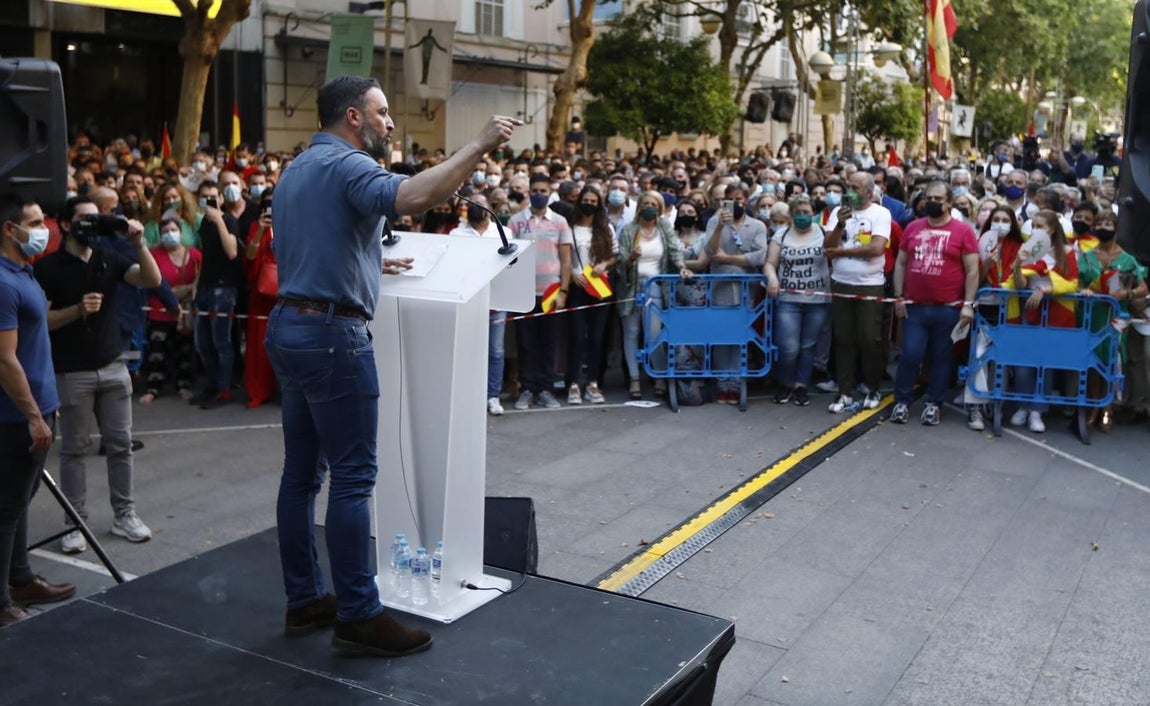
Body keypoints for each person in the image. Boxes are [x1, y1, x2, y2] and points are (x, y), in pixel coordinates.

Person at [268, 75, 517, 657]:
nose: (389, 123)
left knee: (301, 475)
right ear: (353, 117)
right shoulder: (349, 165)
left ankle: (305, 599)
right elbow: (411, 198)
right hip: (333, 335)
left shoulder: (299, 167)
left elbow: (318, 246)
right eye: (382, 113)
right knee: (354, 479)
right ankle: (358, 612)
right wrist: (477, 146)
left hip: (291, 325)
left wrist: (375, 266)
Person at [34, 196, 161, 554]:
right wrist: (76, 310)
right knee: (74, 450)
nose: (94, 225)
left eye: (97, 218)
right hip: (72, 372)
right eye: (85, 219)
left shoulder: (109, 257)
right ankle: (75, 525)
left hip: (113, 366)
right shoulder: (48, 268)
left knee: (121, 446)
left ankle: (125, 515)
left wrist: (138, 242)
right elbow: (42, 322)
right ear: (65, 224)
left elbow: (151, 278)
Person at [0, 193, 73, 629]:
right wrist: (31, 415)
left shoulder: (23, 273)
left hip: (42, 408)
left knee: (20, 502)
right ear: (10, 229)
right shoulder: (4, 283)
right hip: (15, 420)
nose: (43, 229)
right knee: (6, 509)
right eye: (32, 222)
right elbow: (5, 360)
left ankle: (21, 579)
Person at [889, 182, 979, 426]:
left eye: (938, 198)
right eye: (928, 198)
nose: (932, 202)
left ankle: (934, 404)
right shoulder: (913, 228)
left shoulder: (964, 231)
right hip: (915, 307)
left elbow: (972, 270)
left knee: (941, 358)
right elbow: (900, 262)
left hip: (949, 307)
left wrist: (968, 304)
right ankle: (902, 401)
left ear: (949, 202)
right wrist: (899, 296)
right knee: (910, 354)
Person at [823, 172, 890, 413]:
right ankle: (844, 392)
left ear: (870, 192)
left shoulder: (880, 214)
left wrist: (839, 253)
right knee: (843, 339)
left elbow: (875, 248)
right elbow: (827, 247)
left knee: (869, 339)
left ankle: (872, 388)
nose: (850, 190)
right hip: (841, 283)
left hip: (869, 284)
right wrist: (840, 224)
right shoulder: (837, 213)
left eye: (856, 187)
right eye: (848, 186)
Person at [1076, 209, 1146, 432]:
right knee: (1093, 360)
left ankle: (1108, 406)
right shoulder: (1086, 256)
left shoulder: (1128, 258)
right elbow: (1076, 283)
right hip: (1092, 315)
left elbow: (1142, 287)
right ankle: (1093, 406)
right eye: (1100, 223)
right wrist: (1083, 291)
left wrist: (1128, 294)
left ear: (1117, 228)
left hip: (1116, 315)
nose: (1104, 227)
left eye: (1109, 223)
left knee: (1111, 360)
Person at [617, 190, 691, 399]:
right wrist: (631, 257)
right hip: (631, 287)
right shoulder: (628, 230)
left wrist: (681, 266)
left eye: (653, 204)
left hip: (656, 286)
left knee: (655, 333)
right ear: (639, 206)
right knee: (631, 333)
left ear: (659, 208)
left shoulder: (664, 227)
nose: (649, 206)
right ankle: (634, 379)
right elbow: (621, 263)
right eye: (645, 203)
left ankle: (658, 376)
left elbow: (675, 250)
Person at [507, 174, 573, 410]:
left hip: (551, 292)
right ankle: (526, 389)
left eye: (543, 191)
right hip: (524, 293)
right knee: (525, 343)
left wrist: (563, 291)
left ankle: (545, 389)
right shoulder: (515, 222)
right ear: (528, 192)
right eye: (535, 190)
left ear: (549, 193)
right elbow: (509, 259)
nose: (539, 194)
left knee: (548, 342)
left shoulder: (560, 222)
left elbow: (566, 261)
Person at [764, 194, 830, 407]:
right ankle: (785, 383)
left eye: (806, 213)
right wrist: (772, 277)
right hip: (788, 299)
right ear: (791, 215)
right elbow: (769, 263)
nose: (802, 216)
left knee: (808, 346)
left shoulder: (823, 233)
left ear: (814, 214)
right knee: (789, 346)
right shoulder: (781, 236)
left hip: (818, 300)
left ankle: (801, 385)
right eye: (798, 213)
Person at [704, 184, 768, 403]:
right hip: (720, 289)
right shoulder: (714, 222)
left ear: (747, 200)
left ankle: (737, 382)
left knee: (741, 338)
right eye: (730, 199)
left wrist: (729, 259)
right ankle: (723, 384)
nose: (735, 203)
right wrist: (720, 228)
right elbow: (710, 252)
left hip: (746, 291)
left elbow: (759, 257)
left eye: (739, 199)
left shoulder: (757, 226)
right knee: (723, 338)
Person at [447, 194, 509, 415]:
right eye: (470, 203)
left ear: (490, 208)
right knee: (466, 350)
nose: (475, 206)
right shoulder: (457, 233)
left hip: (496, 301)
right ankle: (467, 395)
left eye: (480, 203)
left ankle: (492, 395)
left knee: (496, 351)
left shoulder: (504, 232)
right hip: (468, 300)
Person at [191, 180, 243, 409]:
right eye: (205, 197)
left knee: (221, 342)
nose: (209, 201)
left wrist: (219, 219)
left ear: (221, 199)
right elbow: (206, 254)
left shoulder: (229, 220)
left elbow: (232, 252)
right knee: (203, 343)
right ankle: (212, 385)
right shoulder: (203, 222)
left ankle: (224, 389)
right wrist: (196, 282)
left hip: (224, 290)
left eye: (213, 197)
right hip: (204, 286)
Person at [140, 213, 201, 404]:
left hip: (184, 312)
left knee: (184, 350)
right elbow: (149, 281)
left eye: (173, 230)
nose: (170, 234)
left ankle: (183, 385)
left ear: (181, 233)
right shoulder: (153, 255)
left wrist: (188, 289)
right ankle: (153, 388)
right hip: (158, 310)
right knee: (156, 352)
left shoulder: (195, 255)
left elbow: (200, 281)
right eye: (165, 231)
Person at [565, 185, 617, 405]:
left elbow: (615, 255)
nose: (589, 204)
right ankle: (573, 383)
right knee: (576, 337)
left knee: (597, 337)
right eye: (585, 200)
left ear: (599, 205)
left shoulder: (607, 229)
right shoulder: (569, 227)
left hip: (599, 287)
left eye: (593, 201)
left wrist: (604, 264)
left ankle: (593, 382)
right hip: (577, 286)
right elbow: (565, 257)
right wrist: (573, 274)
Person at [243, 189, 277, 408]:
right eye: (267, 203)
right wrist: (260, 232)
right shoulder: (256, 227)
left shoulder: (291, 225)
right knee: (258, 345)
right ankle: (259, 390)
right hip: (260, 294)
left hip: (286, 293)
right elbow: (249, 257)